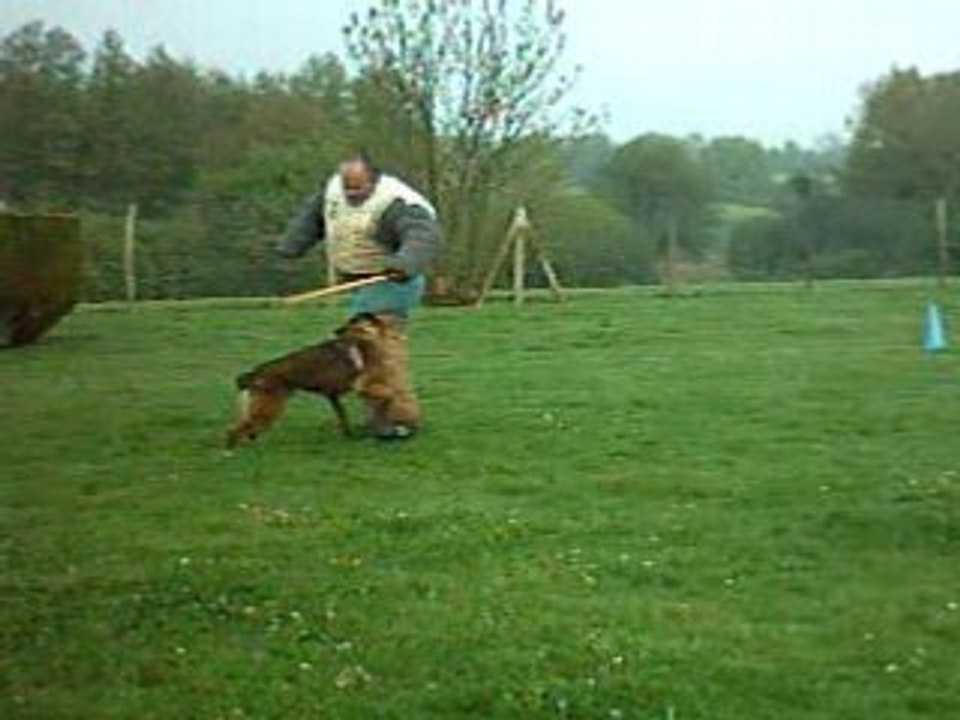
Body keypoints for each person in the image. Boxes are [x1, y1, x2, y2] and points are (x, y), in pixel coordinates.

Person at [277, 154, 440, 440]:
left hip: (393, 278)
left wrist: (404, 263)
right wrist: (292, 244)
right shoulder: (332, 191)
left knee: (382, 349)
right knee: (363, 352)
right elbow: (312, 217)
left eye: (358, 189)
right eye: (347, 187)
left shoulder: (397, 202)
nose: (350, 194)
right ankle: (378, 415)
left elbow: (422, 235)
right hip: (356, 281)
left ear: (374, 181)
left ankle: (400, 419)